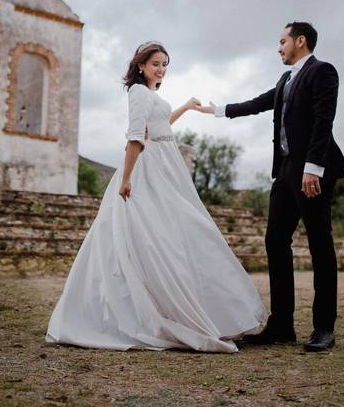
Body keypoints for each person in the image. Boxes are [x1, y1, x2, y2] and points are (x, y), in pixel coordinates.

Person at [46, 41, 265, 352]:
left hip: (167, 164)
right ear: (140, 66)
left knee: (179, 230)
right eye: (155, 64)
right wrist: (125, 178)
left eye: (164, 64)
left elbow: (159, 125)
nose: (161, 69)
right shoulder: (137, 92)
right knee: (154, 235)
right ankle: (149, 311)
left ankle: (194, 308)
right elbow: (136, 135)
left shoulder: (151, 95)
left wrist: (186, 107)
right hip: (147, 169)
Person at [200, 22, 344, 352]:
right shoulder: (285, 80)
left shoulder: (323, 71)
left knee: (320, 246)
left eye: (282, 41)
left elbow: (325, 119)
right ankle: (282, 324)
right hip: (284, 171)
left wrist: (313, 168)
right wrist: (218, 110)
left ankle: (324, 327)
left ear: (300, 40)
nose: (278, 47)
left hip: (313, 170)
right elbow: (258, 103)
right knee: (274, 241)